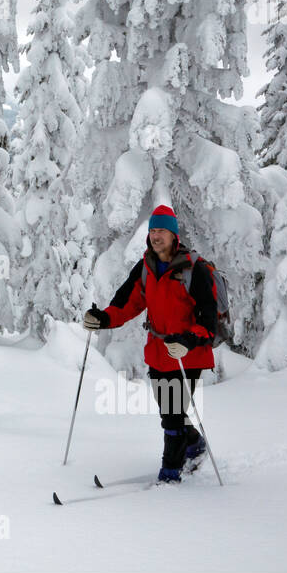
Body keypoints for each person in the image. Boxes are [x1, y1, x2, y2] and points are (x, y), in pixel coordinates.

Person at [81, 205, 216, 483]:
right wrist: (103, 318)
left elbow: (209, 320)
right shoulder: (146, 267)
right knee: (169, 408)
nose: (156, 236)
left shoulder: (195, 269)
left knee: (172, 413)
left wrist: (188, 341)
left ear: (173, 235)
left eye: (161, 231)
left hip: (188, 355)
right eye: (153, 230)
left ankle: (170, 473)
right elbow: (126, 303)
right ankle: (194, 444)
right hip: (158, 352)